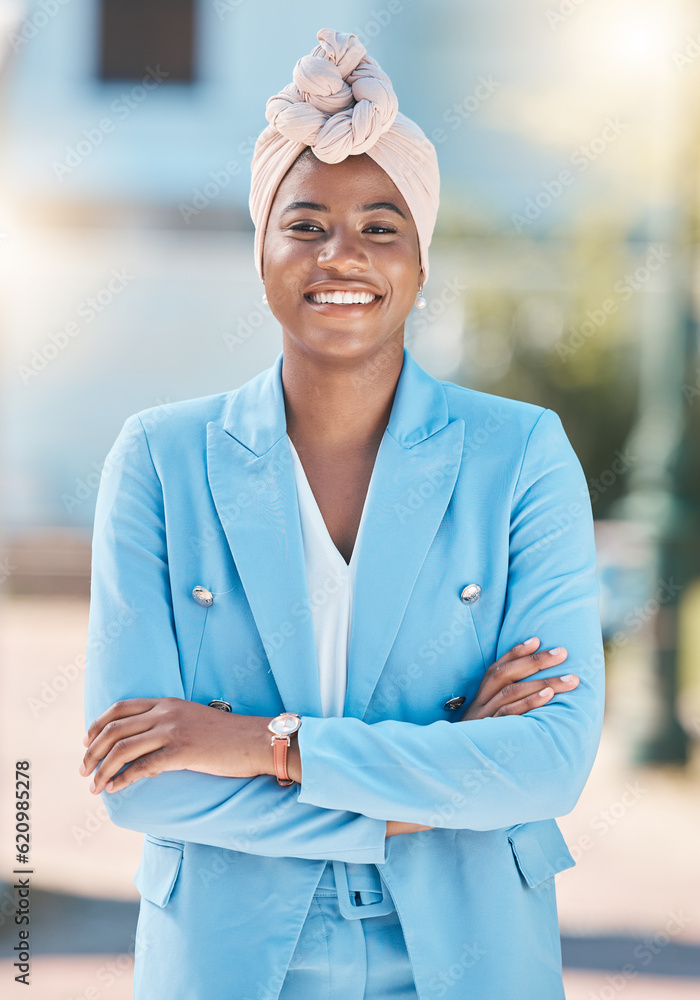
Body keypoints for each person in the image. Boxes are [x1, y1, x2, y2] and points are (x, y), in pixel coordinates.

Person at [80, 28, 604, 1000]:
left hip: (468, 947)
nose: (341, 255)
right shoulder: (159, 458)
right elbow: (141, 777)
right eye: (306, 222)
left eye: (380, 225)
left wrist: (260, 746)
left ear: (421, 258)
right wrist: (428, 789)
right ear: (262, 250)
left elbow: (544, 763)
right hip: (230, 957)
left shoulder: (519, 455)